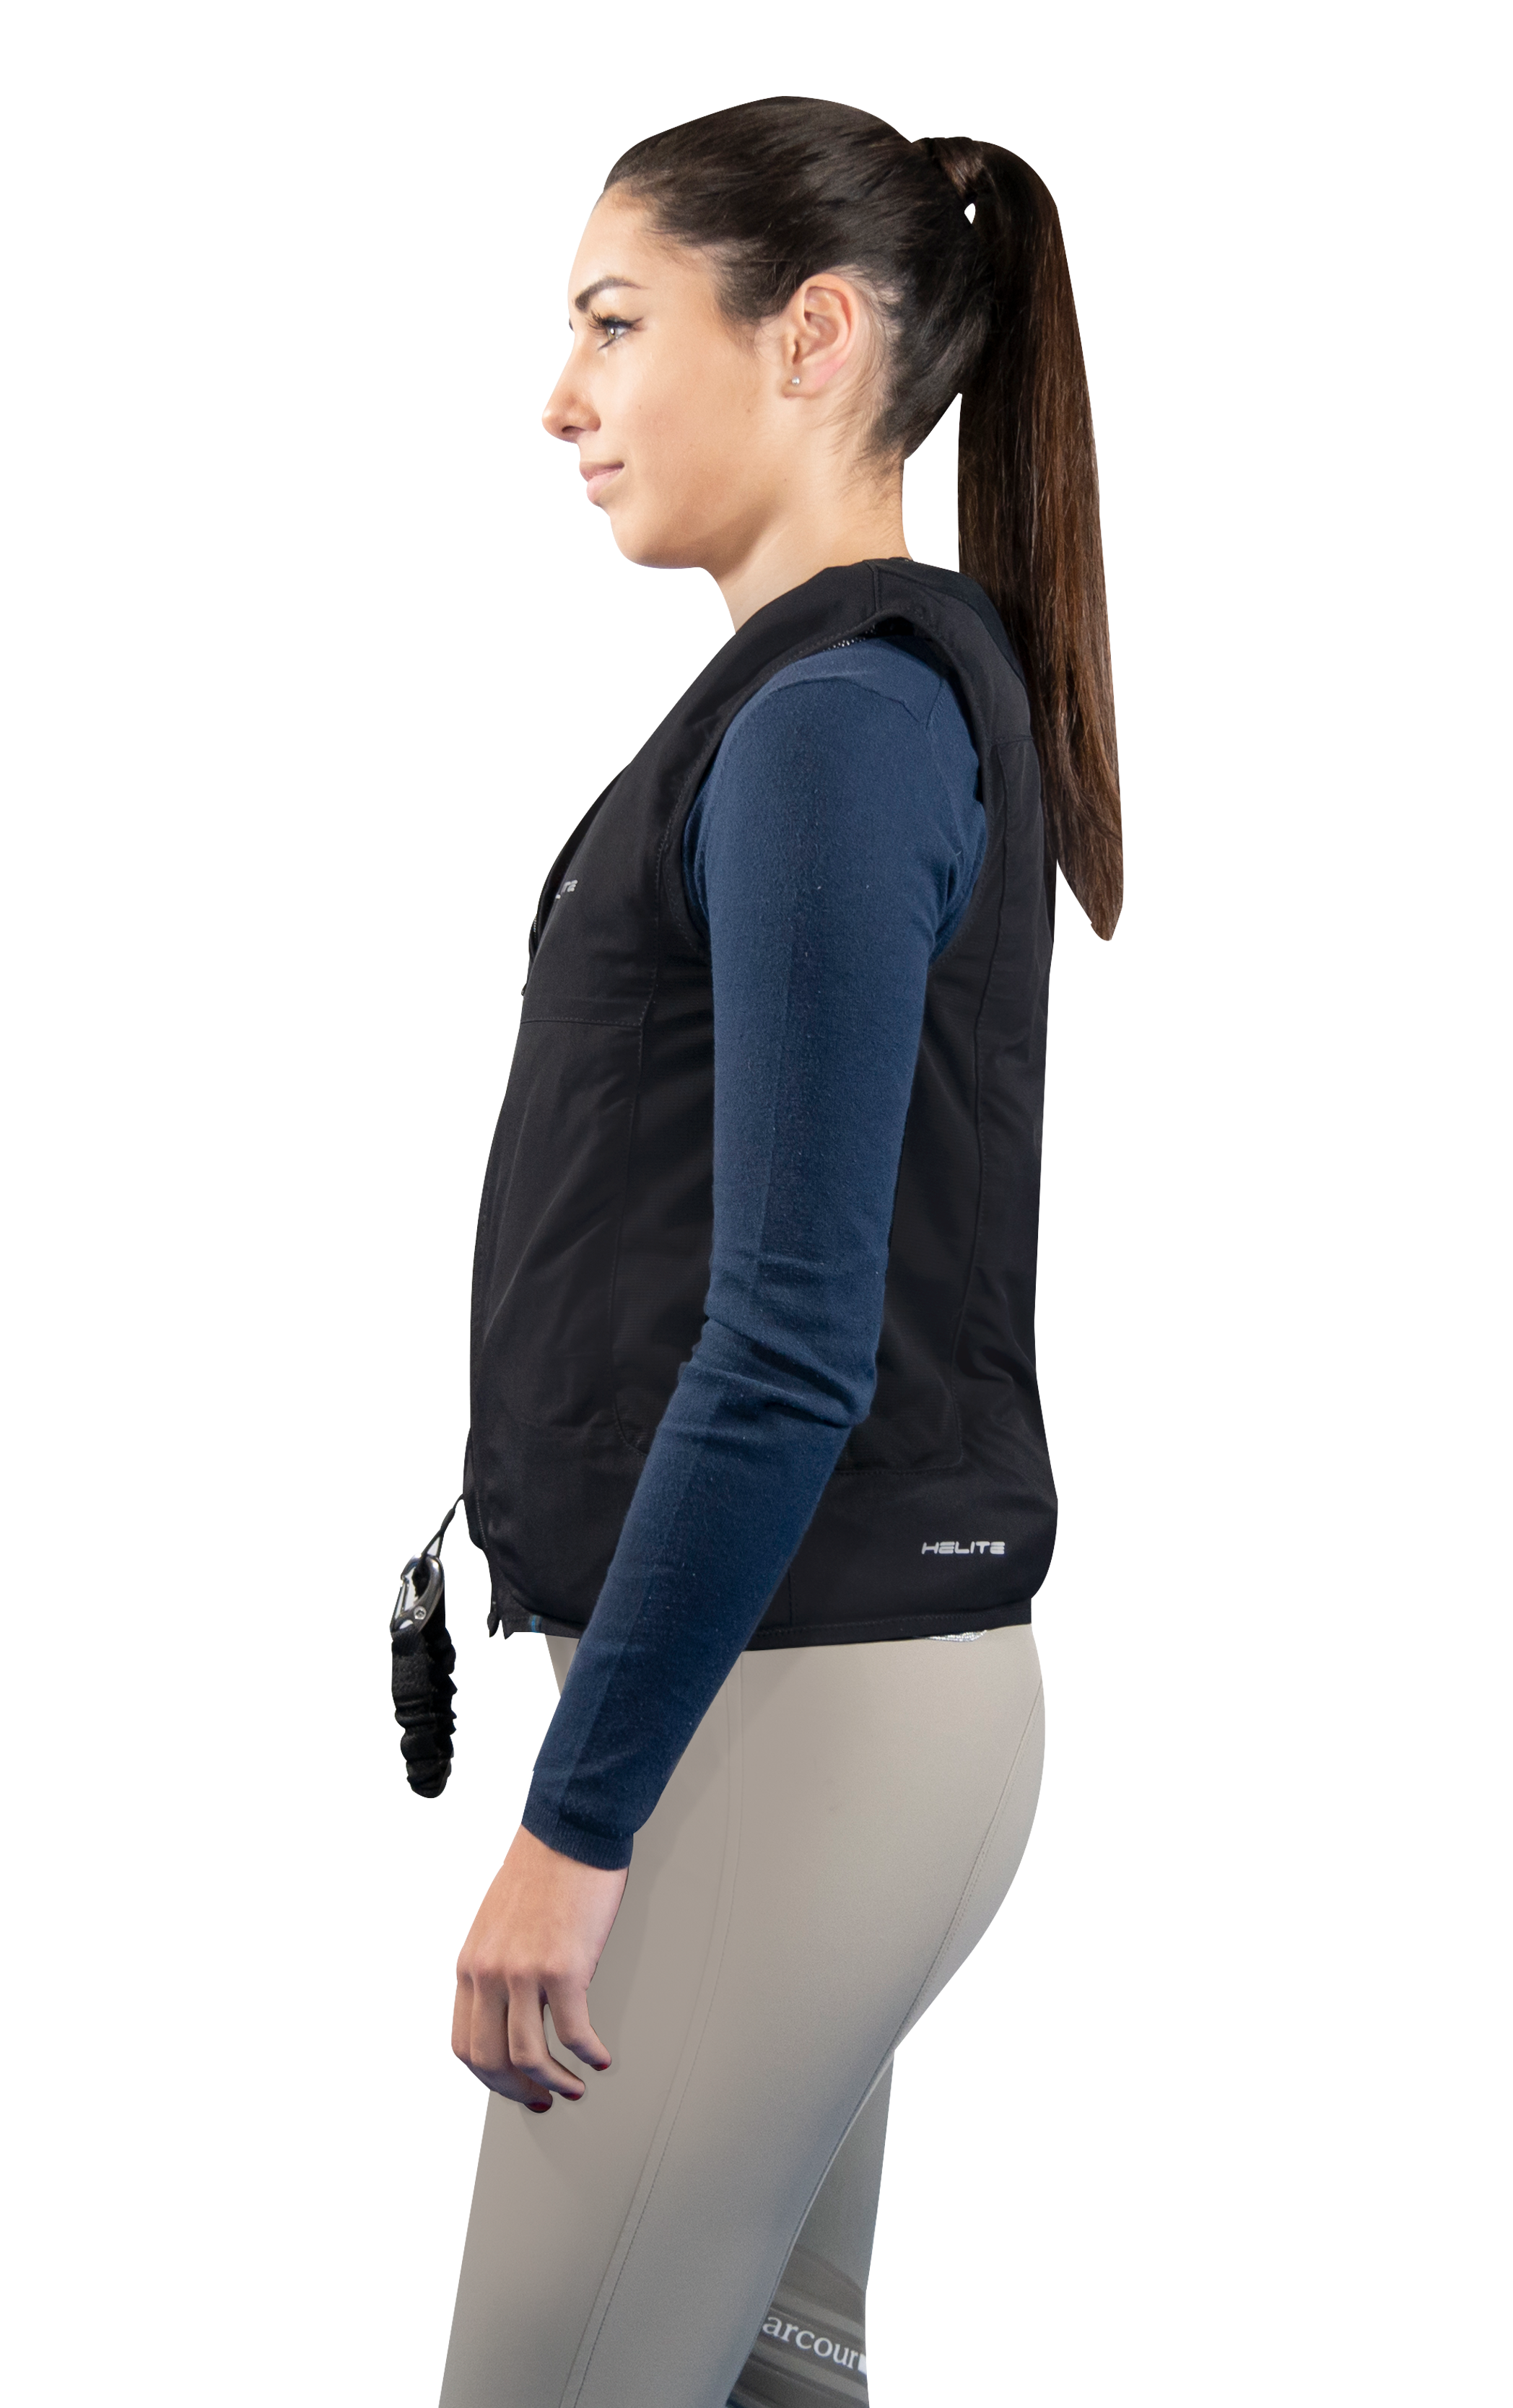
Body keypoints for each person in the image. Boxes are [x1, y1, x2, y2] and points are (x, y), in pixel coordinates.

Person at [441, 100, 1122, 2408]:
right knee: (771, 2373)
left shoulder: (839, 724)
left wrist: (574, 1815)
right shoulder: (837, 708)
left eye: (615, 323)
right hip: (790, 1670)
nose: (565, 399)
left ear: (813, 335)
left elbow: (791, 1340)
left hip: (794, 1696)